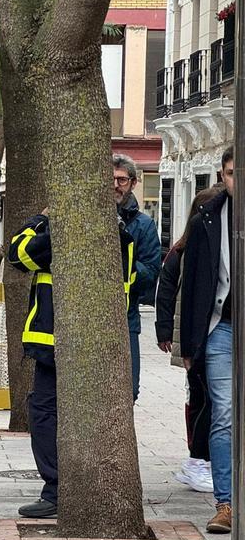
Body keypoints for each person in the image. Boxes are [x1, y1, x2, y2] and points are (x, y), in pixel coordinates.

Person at [7, 198, 139, 520]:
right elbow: (129, 288)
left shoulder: (60, 235)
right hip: (94, 344)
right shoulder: (121, 236)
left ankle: (56, 490)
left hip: (54, 342)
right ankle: (81, 488)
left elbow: (17, 253)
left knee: (43, 411)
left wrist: (41, 218)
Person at [170, 149, 235, 533]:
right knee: (223, 414)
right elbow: (190, 285)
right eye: (231, 173)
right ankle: (225, 503)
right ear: (222, 176)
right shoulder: (207, 219)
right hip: (221, 329)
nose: (237, 180)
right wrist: (189, 345)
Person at [155, 185, 222, 496]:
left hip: (204, 337)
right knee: (202, 397)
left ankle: (203, 457)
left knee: (203, 397)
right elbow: (166, 292)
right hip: (194, 339)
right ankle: (198, 457)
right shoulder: (182, 251)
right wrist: (164, 331)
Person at [113, 153, 162, 401]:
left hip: (127, 318)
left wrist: (126, 265)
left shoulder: (144, 225)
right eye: (110, 179)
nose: (115, 185)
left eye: (121, 180)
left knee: (129, 389)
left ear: (133, 183)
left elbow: (151, 272)